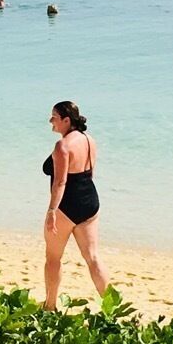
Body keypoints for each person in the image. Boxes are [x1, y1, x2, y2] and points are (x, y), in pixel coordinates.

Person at [40, 98, 110, 312]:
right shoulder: (89, 139)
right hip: (90, 201)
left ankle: (50, 306)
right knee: (93, 258)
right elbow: (91, 172)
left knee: (53, 258)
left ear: (66, 120)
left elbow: (61, 182)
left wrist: (52, 210)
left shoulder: (62, 145)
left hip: (67, 205)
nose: (50, 120)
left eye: (54, 116)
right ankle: (111, 308)